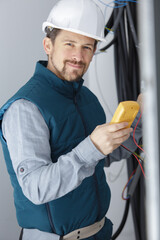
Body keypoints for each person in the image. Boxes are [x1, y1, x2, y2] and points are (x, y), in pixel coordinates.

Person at [0, 0, 142, 239]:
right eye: (69, 44)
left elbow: (102, 158)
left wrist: (141, 121)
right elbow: (36, 188)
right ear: (48, 45)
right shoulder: (26, 108)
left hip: (100, 232)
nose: (78, 55)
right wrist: (93, 147)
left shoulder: (86, 98)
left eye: (87, 47)